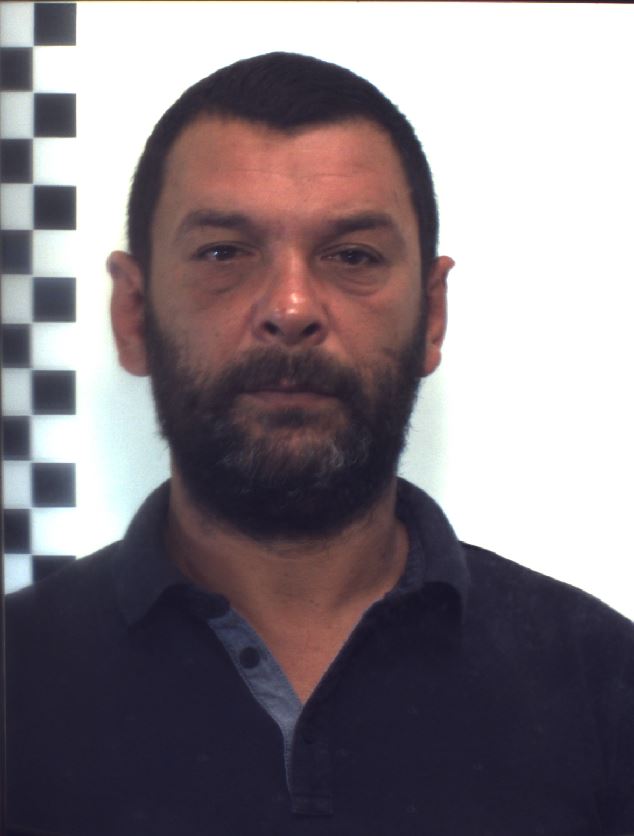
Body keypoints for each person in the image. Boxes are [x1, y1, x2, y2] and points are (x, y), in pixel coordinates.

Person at [6, 52, 634, 836]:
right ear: (133, 314)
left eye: (353, 256)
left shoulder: (603, 683)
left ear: (432, 315)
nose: (292, 307)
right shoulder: (17, 675)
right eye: (224, 252)